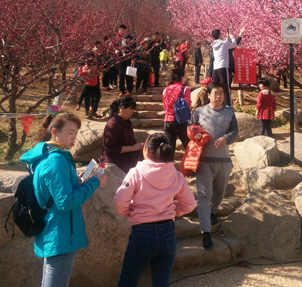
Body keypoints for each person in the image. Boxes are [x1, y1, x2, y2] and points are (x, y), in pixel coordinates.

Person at [21, 113, 107, 287]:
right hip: (59, 233)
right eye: (70, 132)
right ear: (55, 132)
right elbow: (65, 202)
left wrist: (78, 181)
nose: (74, 137)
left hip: (56, 231)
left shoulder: (48, 154)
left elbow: (56, 190)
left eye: (76, 133)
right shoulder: (56, 160)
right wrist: (94, 183)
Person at [114, 133, 196, 287]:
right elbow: (189, 204)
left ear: (146, 151)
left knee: (127, 282)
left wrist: (129, 212)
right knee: (162, 282)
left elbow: (119, 201)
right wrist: (174, 211)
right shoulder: (177, 176)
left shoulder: (135, 173)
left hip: (142, 233)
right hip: (168, 232)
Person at [190, 82, 238, 248]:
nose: (218, 96)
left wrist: (226, 139)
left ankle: (212, 211)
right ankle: (206, 232)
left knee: (219, 193)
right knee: (204, 195)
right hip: (204, 161)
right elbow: (192, 128)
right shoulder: (199, 112)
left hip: (223, 161)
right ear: (208, 95)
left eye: (221, 93)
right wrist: (195, 135)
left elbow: (235, 131)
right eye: (215, 93)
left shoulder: (229, 112)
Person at [100, 97, 144, 173]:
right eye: (130, 111)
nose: (131, 114)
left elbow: (130, 140)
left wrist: (139, 146)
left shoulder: (126, 122)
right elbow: (110, 147)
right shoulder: (113, 124)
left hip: (126, 162)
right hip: (114, 164)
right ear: (122, 108)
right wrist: (132, 148)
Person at [162, 68, 192, 150]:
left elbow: (165, 106)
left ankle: (170, 162)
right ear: (182, 77)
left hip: (168, 120)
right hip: (181, 121)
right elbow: (187, 105)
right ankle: (188, 162)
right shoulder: (185, 89)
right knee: (187, 146)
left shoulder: (166, 89)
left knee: (170, 147)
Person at [210, 29, 237, 106]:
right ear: (219, 35)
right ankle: (228, 104)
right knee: (225, 86)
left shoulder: (213, 45)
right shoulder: (224, 43)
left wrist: (227, 39)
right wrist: (231, 36)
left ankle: (215, 103)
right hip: (223, 67)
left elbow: (225, 45)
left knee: (216, 86)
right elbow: (234, 44)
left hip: (215, 68)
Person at [117, 25, 135, 97]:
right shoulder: (118, 39)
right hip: (121, 59)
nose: (120, 32)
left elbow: (134, 50)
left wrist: (133, 59)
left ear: (125, 30)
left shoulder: (131, 38)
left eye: (122, 30)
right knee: (121, 75)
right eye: (119, 30)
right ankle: (121, 90)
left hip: (129, 58)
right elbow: (116, 47)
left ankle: (129, 90)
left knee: (129, 75)